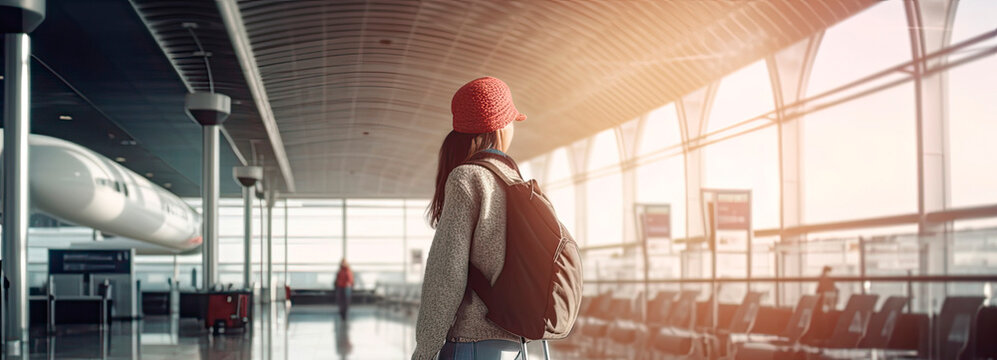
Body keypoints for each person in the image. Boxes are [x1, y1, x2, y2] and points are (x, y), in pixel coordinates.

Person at [411, 76, 528, 360]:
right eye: (511, 120)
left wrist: (424, 351)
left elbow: (446, 273)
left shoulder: (468, 177)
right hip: (511, 340)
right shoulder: (514, 180)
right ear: (499, 126)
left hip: (471, 340)